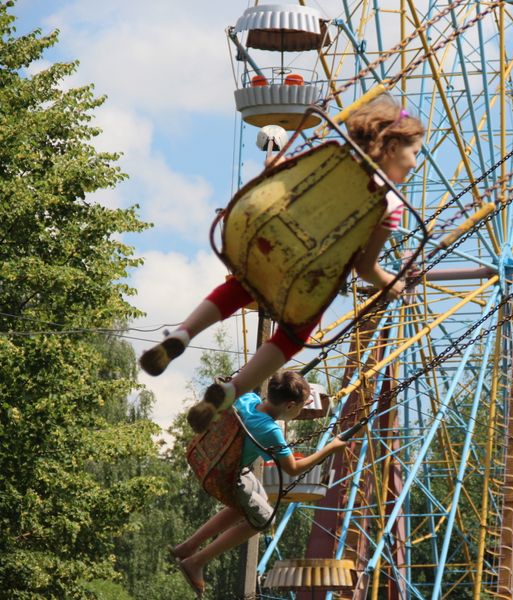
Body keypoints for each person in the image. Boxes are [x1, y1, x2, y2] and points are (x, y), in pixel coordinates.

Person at [138, 97, 425, 433]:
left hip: (270, 242)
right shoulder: (389, 204)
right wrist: (392, 283)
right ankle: (232, 389)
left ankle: (184, 334)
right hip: (308, 277)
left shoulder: (330, 156)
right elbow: (365, 268)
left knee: (243, 284)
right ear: (392, 146)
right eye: (414, 152)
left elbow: (279, 174)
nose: (415, 163)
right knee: (292, 333)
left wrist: (275, 156)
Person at [170, 371, 347, 597]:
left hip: (207, 457)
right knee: (263, 520)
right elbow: (292, 469)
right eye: (301, 407)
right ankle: (196, 561)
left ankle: (187, 547)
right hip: (226, 477)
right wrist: (330, 448)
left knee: (253, 501)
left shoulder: (247, 400)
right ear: (291, 405)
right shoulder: (270, 430)